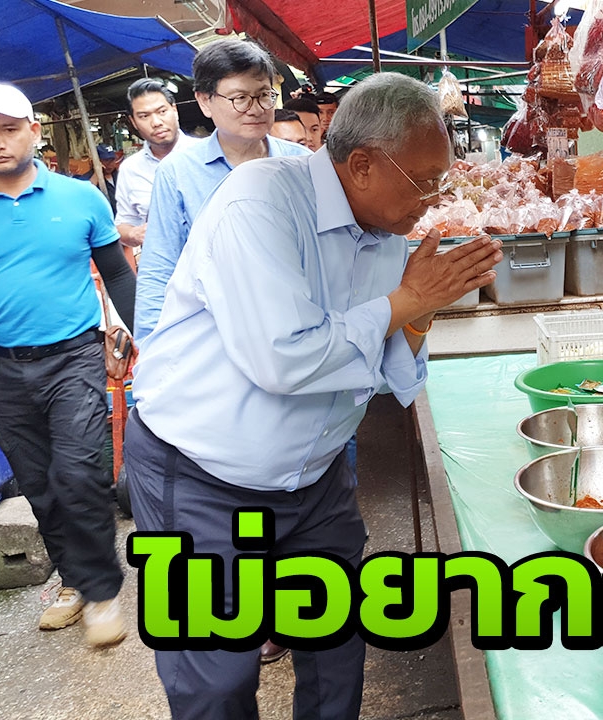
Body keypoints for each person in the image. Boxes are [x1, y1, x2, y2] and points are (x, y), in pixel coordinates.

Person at [122, 72, 503, 720]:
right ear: (361, 165)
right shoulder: (262, 202)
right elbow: (285, 357)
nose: (436, 200)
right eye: (425, 182)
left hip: (315, 475)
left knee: (336, 652)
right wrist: (406, 300)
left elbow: (393, 375)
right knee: (215, 680)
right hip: (202, 474)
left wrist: (416, 316)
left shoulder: (386, 232)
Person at [0, 83, 136, 647]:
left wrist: (149, 336)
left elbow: (120, 274)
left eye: (9, 128)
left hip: (75, 356)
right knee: (40, 486)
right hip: (4, 367)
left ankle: (102, 591)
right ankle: (74, 579)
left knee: (79, 474)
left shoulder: (80, 199)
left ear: (34, 131)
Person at [134, 39, 310, 343]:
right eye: (240, 98)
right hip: (214, 339)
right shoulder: (177, 173)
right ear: (204, 102)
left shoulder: (302, 164)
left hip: (298, 329)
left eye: (264, 95)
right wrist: (151, 349)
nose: (255, 109)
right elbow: (159, 268)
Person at [114, 78, 195, 254]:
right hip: (161, 270)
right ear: (134, 122)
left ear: (175, 110)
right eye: (144, 116)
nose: (156, 122)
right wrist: (134, 233)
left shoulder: (204, 154)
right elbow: (123, 223)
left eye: (162, 111)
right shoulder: (130, 169)